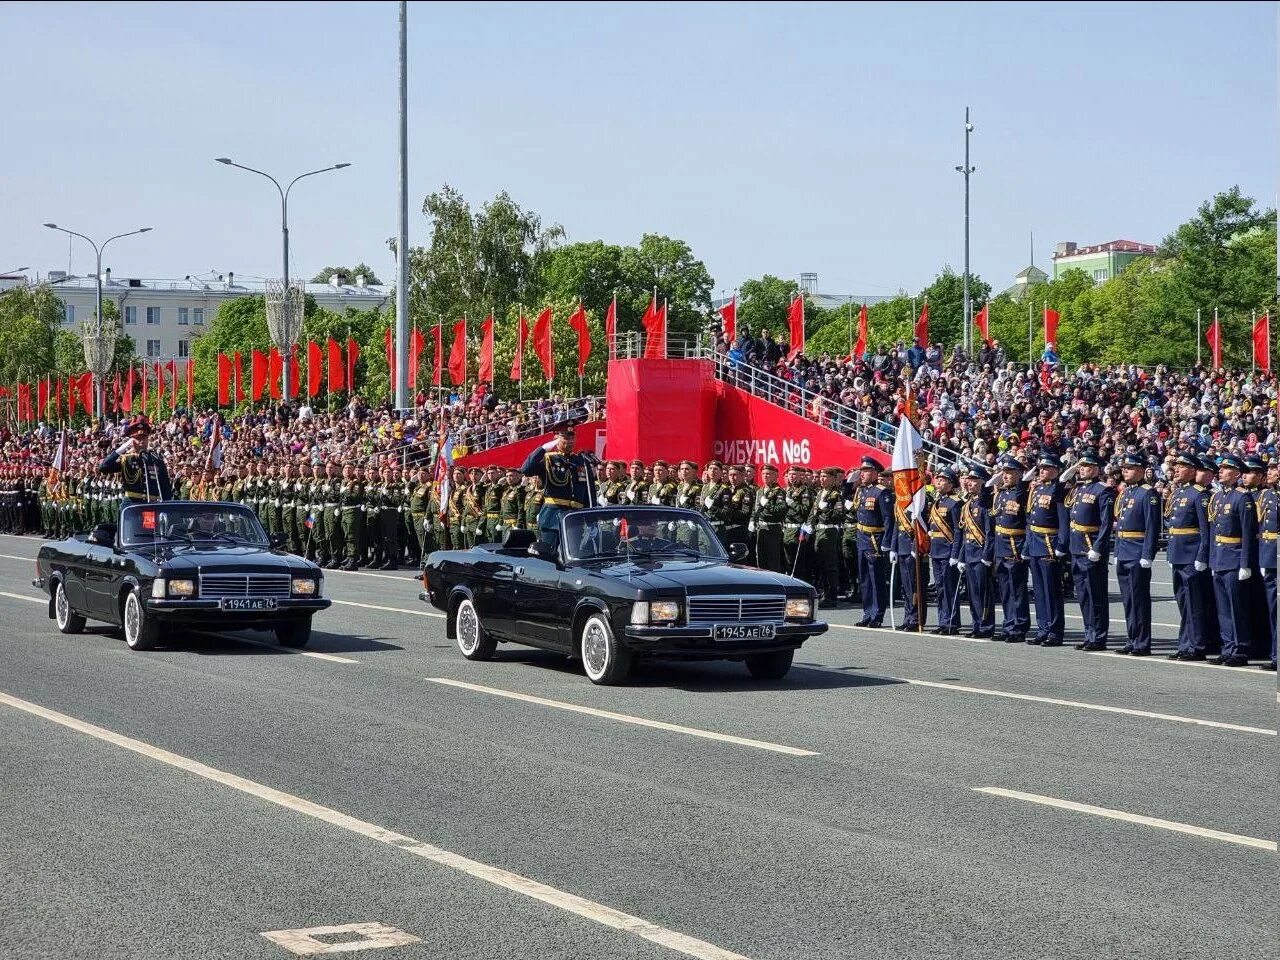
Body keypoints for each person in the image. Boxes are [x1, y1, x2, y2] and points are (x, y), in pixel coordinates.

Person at [1208, 454, 1258, 667]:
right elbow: (1213, 532)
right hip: (1220, 558)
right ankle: (1228, 647)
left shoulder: (1242, 498)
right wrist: (1211, 560)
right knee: (1223, 608)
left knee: (1237, 608)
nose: (1220, 471)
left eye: (1226, 468)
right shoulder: (1218, 497)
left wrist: (1245, 563)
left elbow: (1248, 533)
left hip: (1235, 558)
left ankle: (1240, 649)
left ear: (1237, 474)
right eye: (1220, 468)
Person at [1165, 452, 1213, 661]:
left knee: (1194, 604)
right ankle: (1185, 644)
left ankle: (1196, 645)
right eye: (1176, 465)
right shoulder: (1177, 493)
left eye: (1181, 466)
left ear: (1193, 471)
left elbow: (1205, 531)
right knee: (1183, 603)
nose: (1176, 469)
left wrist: (1202, 557)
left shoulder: (1199, 495)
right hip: (1178, 555)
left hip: (1192, 557)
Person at [1113, 452, 1161, 655]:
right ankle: (1132, 638)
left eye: (1129, 468)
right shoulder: (1127, 492)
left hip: (1137, 550)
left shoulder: (1148, 493)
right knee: (1128, 600)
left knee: (1139, 600)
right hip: (1124, 549)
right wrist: (1116, 550)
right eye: (1124, 468)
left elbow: (1152, 526)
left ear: (1141, 471)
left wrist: (1147, 554)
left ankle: (1142, 642)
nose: (1125, 471)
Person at [1067, 451, 1114, 652]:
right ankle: (1089, 633)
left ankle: (1098, 637)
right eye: (1080, 466)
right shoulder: (1077, 489)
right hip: (1077, 548)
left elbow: (1106, 523)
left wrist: (1098, 548)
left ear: (1095, 468)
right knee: (1083, 595)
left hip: (1090, 548)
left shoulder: (1102, 490)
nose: (1081, 469)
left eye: (1086, 466)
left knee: (1096, 595)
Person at [520, 424, 595, 550]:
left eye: (572, 438)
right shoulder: (549, 459)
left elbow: (589, 492)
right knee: (549, 556)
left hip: (575, 519)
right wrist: (542, 449)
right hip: (552, 517)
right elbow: (526, 469)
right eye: (565, 437)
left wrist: (592, 520)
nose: (570, 441)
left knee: (573, 555)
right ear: (556, 439)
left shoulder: (581, 461)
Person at [1025, 453, 1069, 647]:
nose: (1041, 471)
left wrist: (1061, 545)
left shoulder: (1058, 490)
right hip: (1035, 543)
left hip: (1049, 544)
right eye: (1040, 468)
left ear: (1055, 471)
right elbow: (1030, 520)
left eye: (1045, 468)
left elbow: (1063, 521)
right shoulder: (1036, 489)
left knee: (1051, 591)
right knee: (1039, 591)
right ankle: (1043, 629)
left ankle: (1054, 631)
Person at [992, 456, 1031, 643]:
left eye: (1009, 473)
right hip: (1001, 546)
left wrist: (1024, 547)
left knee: (1017, 589)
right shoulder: (1001, 493)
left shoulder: (1022, 493)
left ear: (1018, 474)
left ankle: (1019, 625)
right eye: (1004, 473)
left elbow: (1027, 522)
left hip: (1015, 546)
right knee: (1005, 590)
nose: (1005, 476)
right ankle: (1008, 624)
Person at [853, 456, 894, 627]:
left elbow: (888, 520)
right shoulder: (862, 491)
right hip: (862, 538)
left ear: (876, 473)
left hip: (874, 539)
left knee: (876, 579)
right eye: (862, 471)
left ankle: (877, 615)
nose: (862, 474)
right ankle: (867, 613)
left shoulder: (881, 492)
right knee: (864, 579)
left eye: (866, 471)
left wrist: (886, 542)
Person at [956, 464, 995, 638]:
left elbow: (989, 533)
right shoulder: (968, 504)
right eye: (969, 480)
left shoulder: (986, 504)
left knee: (983, 593)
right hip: (970, 553)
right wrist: (961, 557)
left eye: (974, 480)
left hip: (981, 555)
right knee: (973, 594)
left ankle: (986, 626)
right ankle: (976, 624)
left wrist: (987, 556)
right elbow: (966, 533)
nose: (969, 483)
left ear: (982, 482)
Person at [98, 416, 173, 505]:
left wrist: (166, 506)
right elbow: (103, 467)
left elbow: (165, 486)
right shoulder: (126, 459)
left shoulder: (155, 459)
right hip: (131, 503)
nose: (141, 441)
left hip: (152, 503)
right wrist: (122, 448)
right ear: (131, 441)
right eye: (137, 438)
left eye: (144, 438)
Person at [927, 467, 962, 636]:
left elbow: (957, 531)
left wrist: (955, 554)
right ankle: (943, 621)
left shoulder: (955, 503)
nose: (937, 483)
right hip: (936, 550)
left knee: (949, 588)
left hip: (948, 552)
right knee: (940, 589)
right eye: (937, 479)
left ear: (950, 483)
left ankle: (951, 622)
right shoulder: (937, 502)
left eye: (941, 480)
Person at [807, 467, 847, 609]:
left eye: (826, 477)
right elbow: (813, 512)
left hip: (830, 532)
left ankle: (832, 596)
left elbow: (838, 515)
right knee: (821, 564)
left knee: (830, 565)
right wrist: (808, 527)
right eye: (821, 476)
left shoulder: (836, 495)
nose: (822, 479)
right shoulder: (819, 493)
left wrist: (825, 509)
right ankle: (824, 592)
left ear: (833, 479)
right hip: (819, 532)